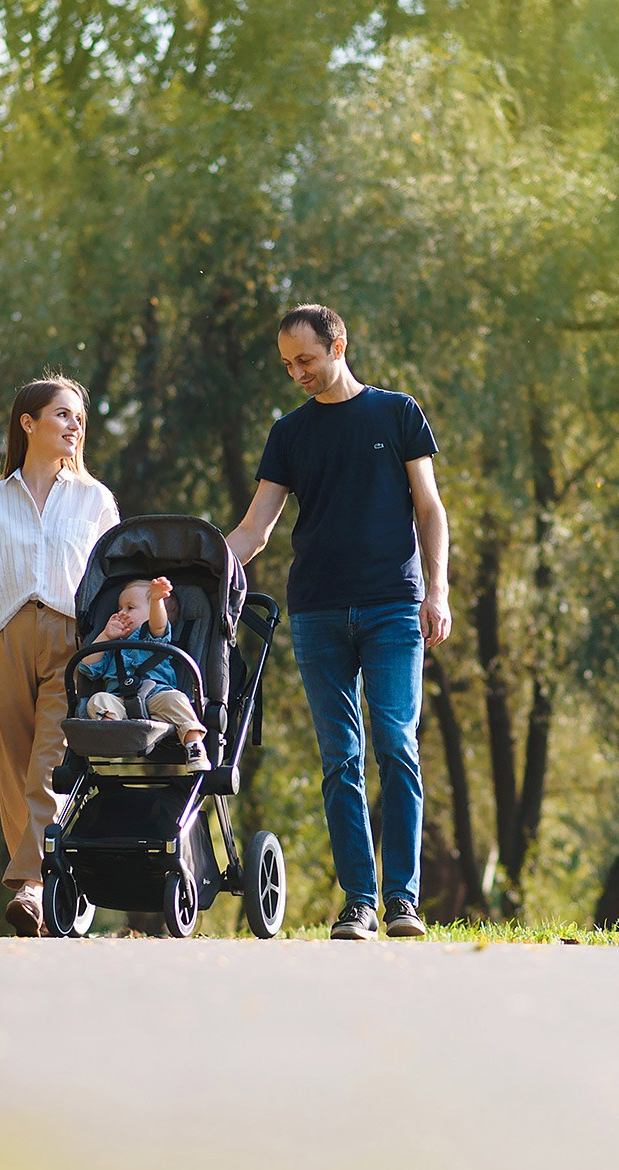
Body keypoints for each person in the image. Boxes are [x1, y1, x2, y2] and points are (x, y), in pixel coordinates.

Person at [225, 304, 451, 941]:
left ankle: (403, 901)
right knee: (339, 760)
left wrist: (438, 591)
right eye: (288, 364)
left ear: (338, 345)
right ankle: (361, 902)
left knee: (397, 747)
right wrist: (199, 565)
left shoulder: (397, 413)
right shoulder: (289, 434)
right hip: (318, 611)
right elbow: (255, 529)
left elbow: (430, 509)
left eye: (306, 359)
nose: (296, 372)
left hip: (393, 606)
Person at [0, 375, 120, 936]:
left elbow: (113, 579)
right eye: (64, 415)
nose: (75, 426)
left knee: (49, 763)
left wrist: (111, 640)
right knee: (14, 774)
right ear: (29, 423)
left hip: (73, 645)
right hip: (1, 641)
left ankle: (31, 883)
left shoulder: (95, 500)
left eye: (79, 419)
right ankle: (41, 889)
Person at [77, 576, 210, 771]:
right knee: (97, 700)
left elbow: (158, 624)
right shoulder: (114, 644)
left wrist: (156, 600)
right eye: (119, 608)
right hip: (119, 700)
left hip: (157, 695)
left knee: (178, 700)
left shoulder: (155, 637)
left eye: (130, 608)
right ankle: (113, 733)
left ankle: (194, 744)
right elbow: (87, 667)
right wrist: (105, 636)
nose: (121, 613)